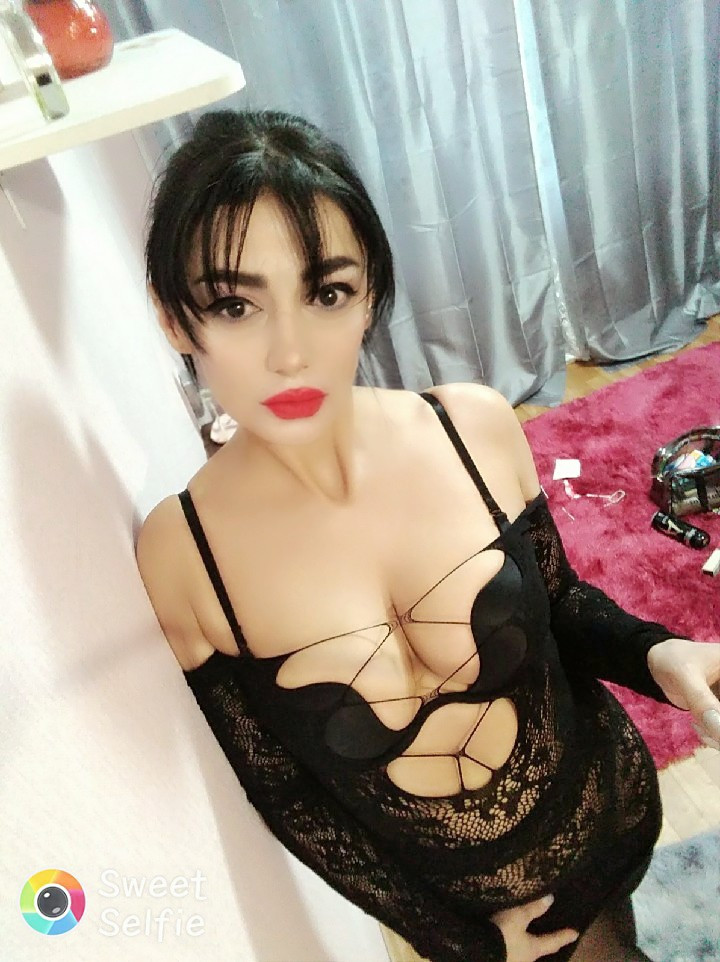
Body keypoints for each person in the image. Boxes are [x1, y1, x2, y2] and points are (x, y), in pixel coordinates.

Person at [135, 109, 720, 962]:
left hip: (598, 812)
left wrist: (658, 654)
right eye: (235, 304)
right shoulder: (184, 557)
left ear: (370, 292)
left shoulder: (471, 427)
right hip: (473, 920)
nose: (291, 352)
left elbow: (559, 603)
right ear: (174, 320)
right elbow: (289, 794)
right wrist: (455, 939)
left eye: (326, 292)